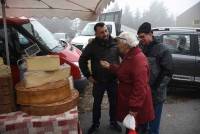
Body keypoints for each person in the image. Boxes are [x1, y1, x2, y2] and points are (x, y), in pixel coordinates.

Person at [100, 32, 155, 134]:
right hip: (131, 103)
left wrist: (134, 108)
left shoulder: (138, 59)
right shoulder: (130, 55)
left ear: (125, 44)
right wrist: (110, 66)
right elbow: (124, 71)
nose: (117, 45)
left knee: (135, 130)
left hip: (138, 108)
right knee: (130, 128)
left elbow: (140, 86)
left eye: (119, 43)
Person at [79, 22, 122, 134]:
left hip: (113, 80)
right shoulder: (92, 46)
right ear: (96, 34)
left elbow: (126, 58)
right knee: (97, 103)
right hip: (98, 81)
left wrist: (120, 72)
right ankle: (95, 124)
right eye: (102, 32)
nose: (105, 34)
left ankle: (113, 121)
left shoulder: (116, 43)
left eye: (106, 30)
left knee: (114, 103)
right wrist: (88, 76)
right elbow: (82, 60)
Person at [137, 22, 173, 134]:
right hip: (143, 93)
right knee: (142, 123)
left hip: (156, 95)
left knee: (153, 126)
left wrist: (154, 88)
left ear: (151, 34)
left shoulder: (163, 50)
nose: (141, 39)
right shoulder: (140, 47)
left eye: (143, 37)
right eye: (139, 37)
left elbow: (168, 73)